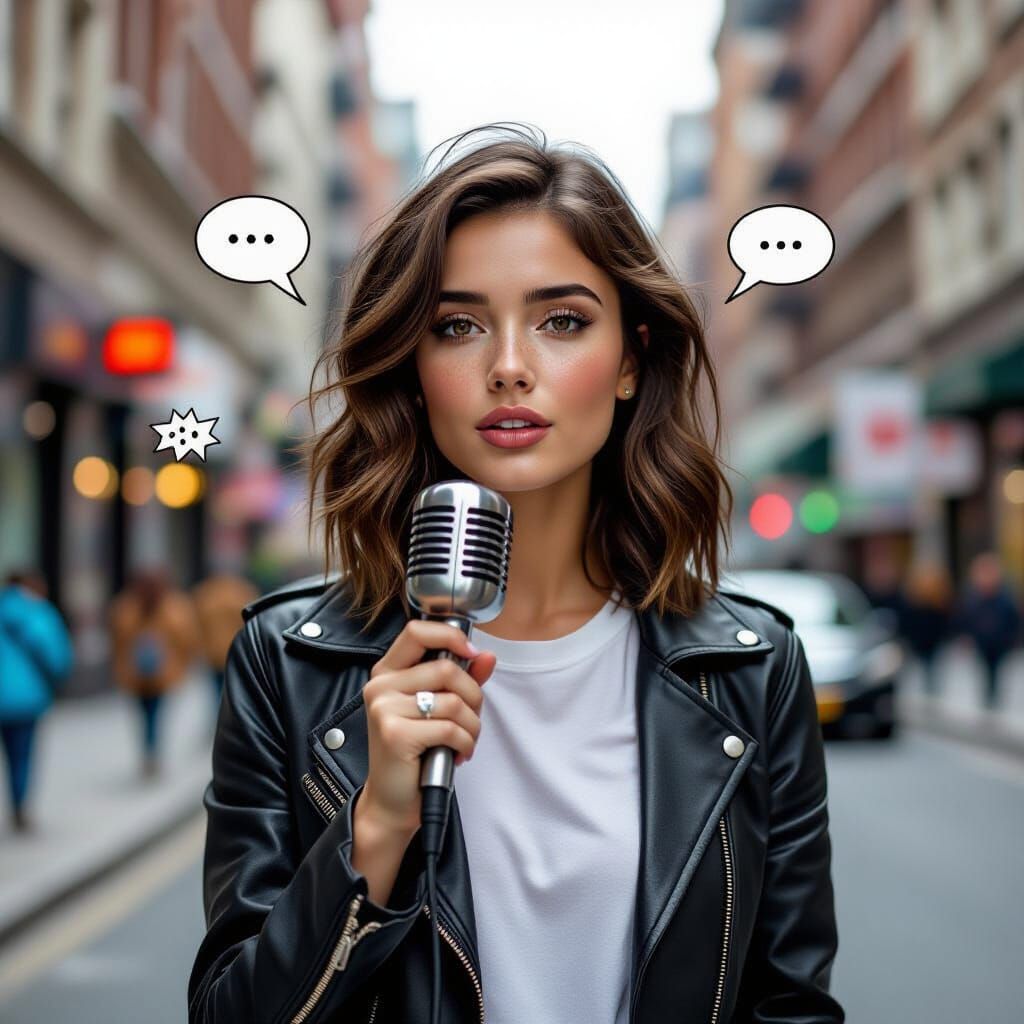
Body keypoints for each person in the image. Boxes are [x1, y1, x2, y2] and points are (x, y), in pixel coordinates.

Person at [188, 124, 844, 1023]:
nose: (508, 366)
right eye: (457, 326)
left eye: (562, 321)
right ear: (416, 372)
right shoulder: (288, 663)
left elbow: (790, 1003)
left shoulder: (752, 668)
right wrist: (374, 824)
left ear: (630, 361)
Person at [109, 566, 200, 778]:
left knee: (148, 715)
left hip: (148, 674)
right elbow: (187, 640)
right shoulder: (173, 606)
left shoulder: (126, 606)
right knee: (152, 714)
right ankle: (151, 752)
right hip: (152, 674)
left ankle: (150, 752)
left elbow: (117, 639)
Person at [0, 570, 73, 833]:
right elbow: (54, 655)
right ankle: (19, 807)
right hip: (26, 698)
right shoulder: (38, 612)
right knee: (21, 755)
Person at [954, 552, 1022, 710]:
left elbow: (1013, 619)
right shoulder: (972, 597)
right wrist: (965, 636)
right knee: (985, 672)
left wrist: (1012, 638)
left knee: (996, 671)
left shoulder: (1004, 596)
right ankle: (988, 700)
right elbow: (964, 619)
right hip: (981, 642)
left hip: (1000, 642)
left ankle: (994, 699)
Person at [190, 570, 259, 717]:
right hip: (228, 652)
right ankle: (226, 717)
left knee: (219, 690)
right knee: (230, 690)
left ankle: (222, 717)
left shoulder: (205, 594)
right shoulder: (242, 592)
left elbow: (197, 625)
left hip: (218, 654)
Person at [899, 560, 953, 696]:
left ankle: (931, 692)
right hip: (918, 642)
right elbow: (908, 621)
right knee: (922, 670)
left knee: (932, 669)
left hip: (933, 641)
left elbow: (945, 622)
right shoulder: (913, 600)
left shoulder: (938, 600)